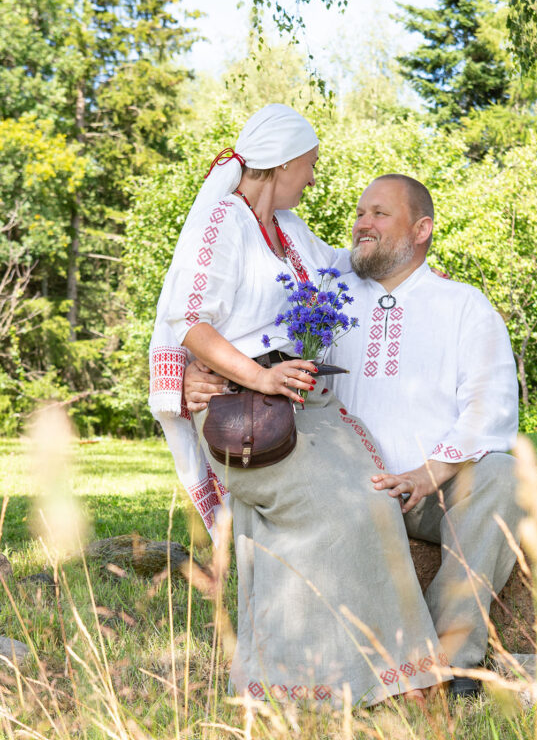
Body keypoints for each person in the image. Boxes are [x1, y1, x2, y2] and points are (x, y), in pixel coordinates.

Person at [150, 105, 450, 707]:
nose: (312, 179)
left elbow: (346, 267)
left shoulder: (288, 231)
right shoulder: (222, 222)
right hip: (244, 412)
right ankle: (316, 682)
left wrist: (408, 260)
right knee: (339, 510)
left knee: (374, 498)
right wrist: (257, 380)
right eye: (309, 166)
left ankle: (391, 673)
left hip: (298, 400)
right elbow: (189, 322)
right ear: (283, 161)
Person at [185, 173, 522, 695]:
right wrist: (198, 371)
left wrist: (428, 474)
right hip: (343, 490)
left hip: (430, 489)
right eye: (360, 214)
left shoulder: (464, 308)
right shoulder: (323, 304)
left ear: (422, 230)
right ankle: (385, 666)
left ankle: (451, 661)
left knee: (502, 475)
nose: (362, 224)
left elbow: (490, 408)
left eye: (380, 214)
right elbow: (245, 337)